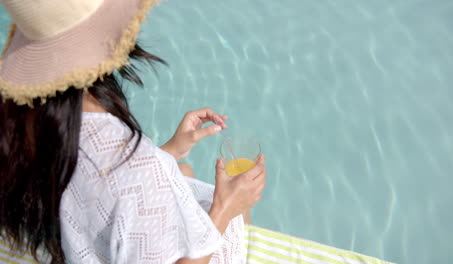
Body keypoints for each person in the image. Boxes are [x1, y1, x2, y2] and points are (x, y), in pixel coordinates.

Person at [0, 0, 266, 263]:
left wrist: (171, 150)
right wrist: (225, 208)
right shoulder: (138, 164)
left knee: (183, 172)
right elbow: (126, 180)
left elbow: (104, 186)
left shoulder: (28, 121)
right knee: (237, 213)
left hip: (85, 249)